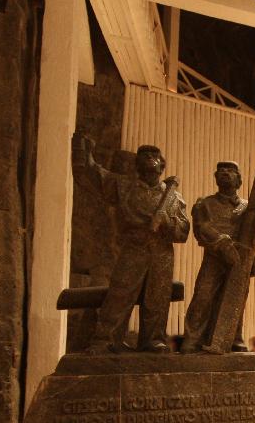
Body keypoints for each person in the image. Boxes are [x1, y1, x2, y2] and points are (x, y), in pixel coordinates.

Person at [72, 133, 190, 354]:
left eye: (154, 155)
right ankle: (106, 339)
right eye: (144, 155)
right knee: (120, 293)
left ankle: (153, 340)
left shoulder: (174, 197)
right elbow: (94, 176)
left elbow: (183, 232)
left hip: (162, 252)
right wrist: (82, 152)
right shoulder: (124, 185)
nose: (150, 158)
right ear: (136, 164)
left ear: (162, 165)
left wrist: (167, 221)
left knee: (157, 297)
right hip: (134, 247)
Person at [181, 161, 255, 353]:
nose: (225, 172)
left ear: (239, 180)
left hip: (240, 261)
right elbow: (201, 229)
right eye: (221, 170)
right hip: (214, 258)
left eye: (231, 171)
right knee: (203, 296)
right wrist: (222, 243)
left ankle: (233, 337)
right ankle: (192, 338)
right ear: (216, 178)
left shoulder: (249, 207)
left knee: (236, 299)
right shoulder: (205, 204)